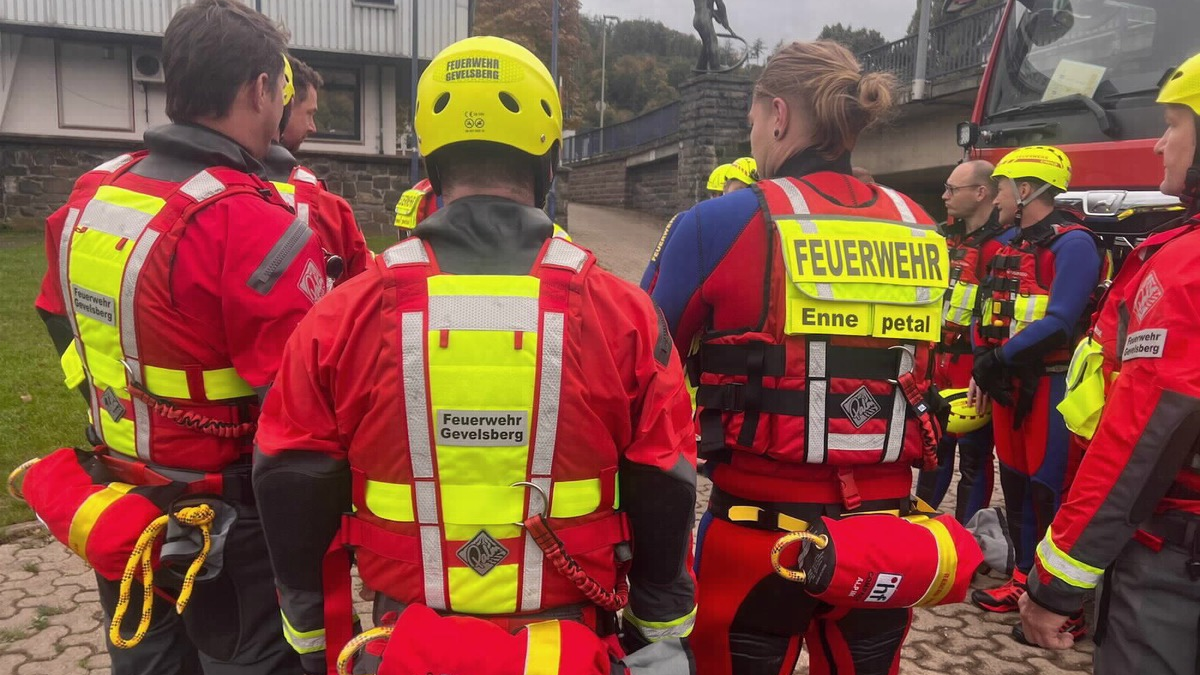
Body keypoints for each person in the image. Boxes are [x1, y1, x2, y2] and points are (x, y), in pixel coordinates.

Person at [253, 36, 698, 675]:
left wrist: (317, 636)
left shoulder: (341, 315)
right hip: (569, 647)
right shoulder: (623, 313)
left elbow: (289, 482)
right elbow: (666, 481)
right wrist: (657, 634)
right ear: (548, 164)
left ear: (431, 162)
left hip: (404, 648)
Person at [30, 1, 324, 673]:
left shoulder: (91, 193)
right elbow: (303, 403)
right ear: (258, 89)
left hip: (120, 500)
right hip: (227, 526)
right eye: (281, 92)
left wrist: (111, 401)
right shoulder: (253, 224)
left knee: (146, 659)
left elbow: (56, 315)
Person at [645, 40, 953, 675]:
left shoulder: (717, 223)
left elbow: (639, 365)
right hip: (887, 535)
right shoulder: (922, 225)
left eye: (753, 121)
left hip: (758, 536)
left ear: (778, 115)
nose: (752, 136)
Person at [1018, 52, 1200, 673]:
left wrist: (1056, 585)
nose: (1159, 146)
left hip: (1175, 565)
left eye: (1174, 124)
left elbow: (1142, 438)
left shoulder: (1184, 269)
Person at [968, 146, 1102, 633]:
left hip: (1050, 385)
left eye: (1002, 187)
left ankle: (1062, 603)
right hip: (1009, 385)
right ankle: (1024, 580)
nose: (997, 197)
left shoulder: (1075, 245)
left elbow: (1062, 321)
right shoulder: (1010, 244)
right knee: (1019, 486)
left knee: (1049, 492)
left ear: (1026, 190)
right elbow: (988, 310)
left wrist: (997, 360)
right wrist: (982, 362)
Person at [916, 160, 1010, 523]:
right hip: (938, 359)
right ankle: (920, 524)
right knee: (932, 446)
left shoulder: (1002, 245)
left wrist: (986, 369)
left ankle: (968, 535)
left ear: (981, 192)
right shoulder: (945, 239)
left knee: (974, 454)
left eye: (952, 189)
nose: (944, 196)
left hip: (973, 364)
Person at [263, 56, 369, 286]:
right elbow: (365, 289)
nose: (313, 127)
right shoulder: (329, 210)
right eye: (309, 113)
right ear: (286, 106)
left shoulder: (200, 187)